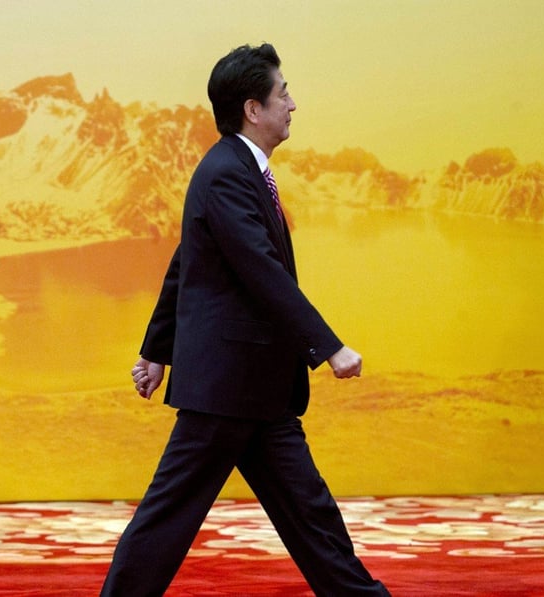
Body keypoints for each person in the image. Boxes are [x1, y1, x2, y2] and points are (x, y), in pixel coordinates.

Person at [100, 44, 390, 596]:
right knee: (166, 522)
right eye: (284, 94)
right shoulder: (227, 173)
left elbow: (186, 265)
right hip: (227, 389)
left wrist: (155, 351)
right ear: (253, 109)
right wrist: (329, 347)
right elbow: (261, 270)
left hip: (258, 390)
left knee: (313, 518)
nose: (293, 104)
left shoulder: (238, 171)